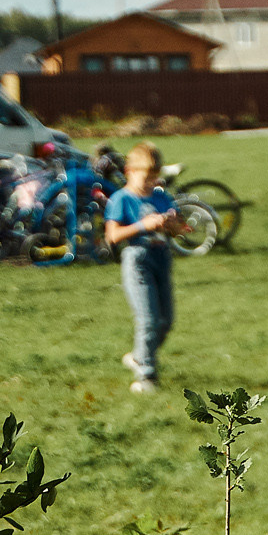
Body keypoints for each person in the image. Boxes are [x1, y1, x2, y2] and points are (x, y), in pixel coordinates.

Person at [103, 141, 181, 393]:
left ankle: (138, 356)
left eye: (155, 177)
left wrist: (171, 224)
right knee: (148, 320)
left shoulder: (161, 197)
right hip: (137, 261)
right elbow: (112, 236)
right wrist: (143, 226)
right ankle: (146, 376)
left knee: (165, 321)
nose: (152, 183)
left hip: (161, 258)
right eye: (147, 177)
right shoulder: (121, 199)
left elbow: (179, 228)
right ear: (129, 171)